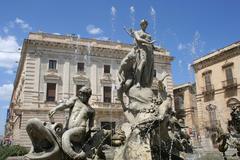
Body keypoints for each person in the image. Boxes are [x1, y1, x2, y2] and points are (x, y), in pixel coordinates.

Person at [49, 86, 94, 159]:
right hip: (68, 129)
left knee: (66, 135)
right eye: (80, 94)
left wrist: (90, 137)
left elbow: (91, 126)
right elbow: (65, 105)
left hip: (80, 130)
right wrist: (56, 108)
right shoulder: (75, 100)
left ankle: (75, 156)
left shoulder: (91, 110)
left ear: (88, 96)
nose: (81, 96)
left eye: (83, 95)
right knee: (55, 136)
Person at [133, 19, 155, 88]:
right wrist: (148, 42)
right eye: (143, 24)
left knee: (148, 69)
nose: (144, 25)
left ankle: (145, 84)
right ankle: (138, 82)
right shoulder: (136, 32)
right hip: (142, 49)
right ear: (140, 25)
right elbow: (138, 39)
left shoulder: (149, 35)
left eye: (145, 24)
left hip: (150, 52)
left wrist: (158, 48)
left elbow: (152, 45)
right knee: (143, 61)